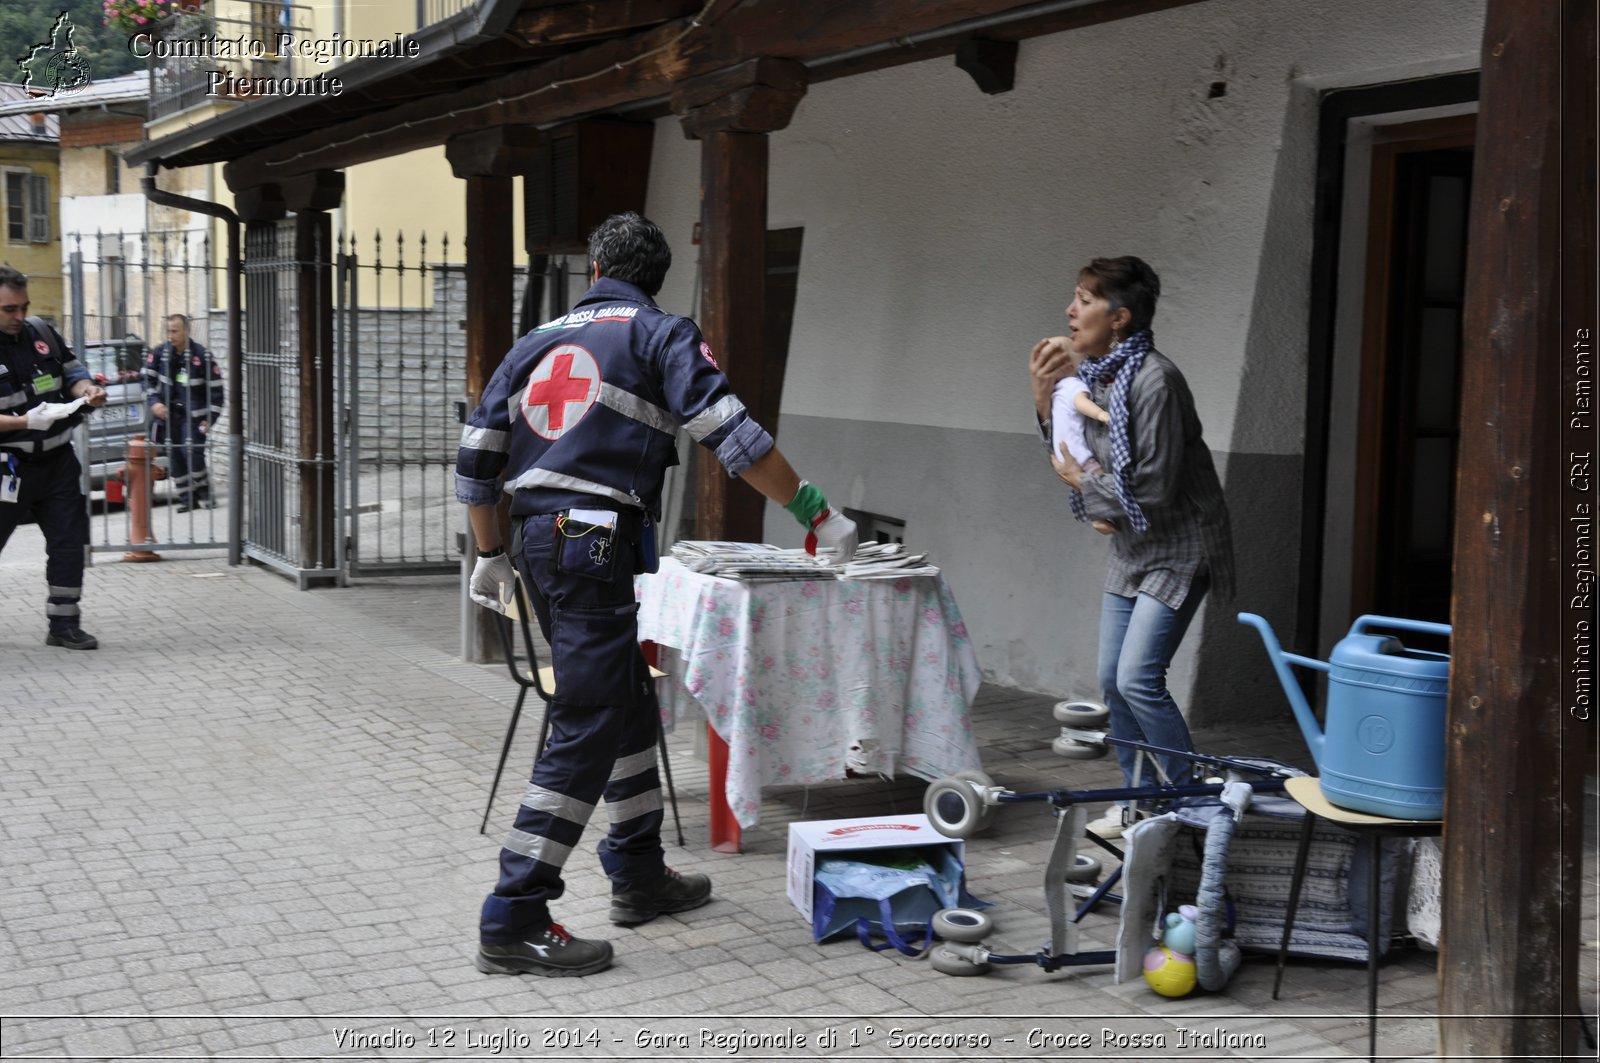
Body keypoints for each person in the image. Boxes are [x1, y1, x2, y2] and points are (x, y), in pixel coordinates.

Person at [456, 212, 858, 978]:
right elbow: (735, 438)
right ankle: (513, 911)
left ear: (596, 264)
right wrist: (818, 513)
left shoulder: (534, 343)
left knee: (626, 705)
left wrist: (489, 552)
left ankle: (638, 871)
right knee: (591, 716)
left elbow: (477, 459)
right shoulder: (659, 334)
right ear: (653, 277)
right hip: (593, 541)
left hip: (541, 543)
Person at [1029, 256, 1234, 839]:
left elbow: (1154, 485)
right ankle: (1139, 798)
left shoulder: (1155, 380)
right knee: (1111, 679)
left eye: (1084, 300)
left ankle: (1187, 800)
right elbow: (1073, 445)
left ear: (1119, 317)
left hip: (1183, 545)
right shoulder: (1097, 377)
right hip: (1135, 546)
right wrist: (1045, 403)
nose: (1070, 312)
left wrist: (1081, 484)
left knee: (1139, 677)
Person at [0, 266, 108, 650]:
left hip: (59, 462)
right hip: (7, 466)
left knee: (68, 542)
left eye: (23, 307)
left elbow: (73, 372)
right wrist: (24, 421)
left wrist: (88, 389)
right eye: (9, 309)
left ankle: (64, 624)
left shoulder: (42, 334)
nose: (19, 316)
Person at [142, 313, 224, 511]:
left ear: (187, 331)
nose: (171, 335)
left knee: (192, 452)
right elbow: (146, 380)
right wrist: (155, 403)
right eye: (168, 331)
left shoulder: (202, 356)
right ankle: (188, 499)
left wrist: (209, 418)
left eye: (175, 331)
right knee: (175, 456)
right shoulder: (160, 353)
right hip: (168, 416)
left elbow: (216, 390)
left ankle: (205, 493)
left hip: (194, 416)